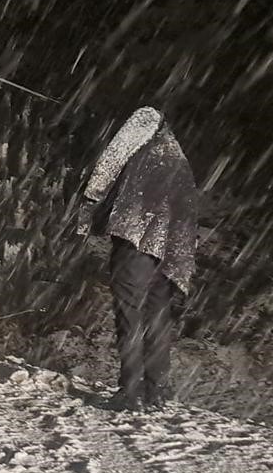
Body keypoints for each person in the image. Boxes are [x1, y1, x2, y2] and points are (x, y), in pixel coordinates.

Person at [76, 106, 199, 411]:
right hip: (170, 251)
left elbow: (110, 162)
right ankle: (155, 391)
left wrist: (87, 208)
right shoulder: (177, 157)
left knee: (128, 314)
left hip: (137, 239)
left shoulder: (142, 122)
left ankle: (129, 392)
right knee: (157, 318)